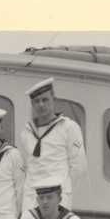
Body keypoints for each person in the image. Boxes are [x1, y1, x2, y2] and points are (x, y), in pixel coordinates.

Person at [19, 78, 87, 211]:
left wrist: (64, 189)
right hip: (32, 196)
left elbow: (79, 167)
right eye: (36, 101)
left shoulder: (68, 127)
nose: (41, 105)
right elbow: (26, 167)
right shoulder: (26, 132)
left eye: (45, 100)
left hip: (58, 195)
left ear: (54, 100)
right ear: (32, 104)